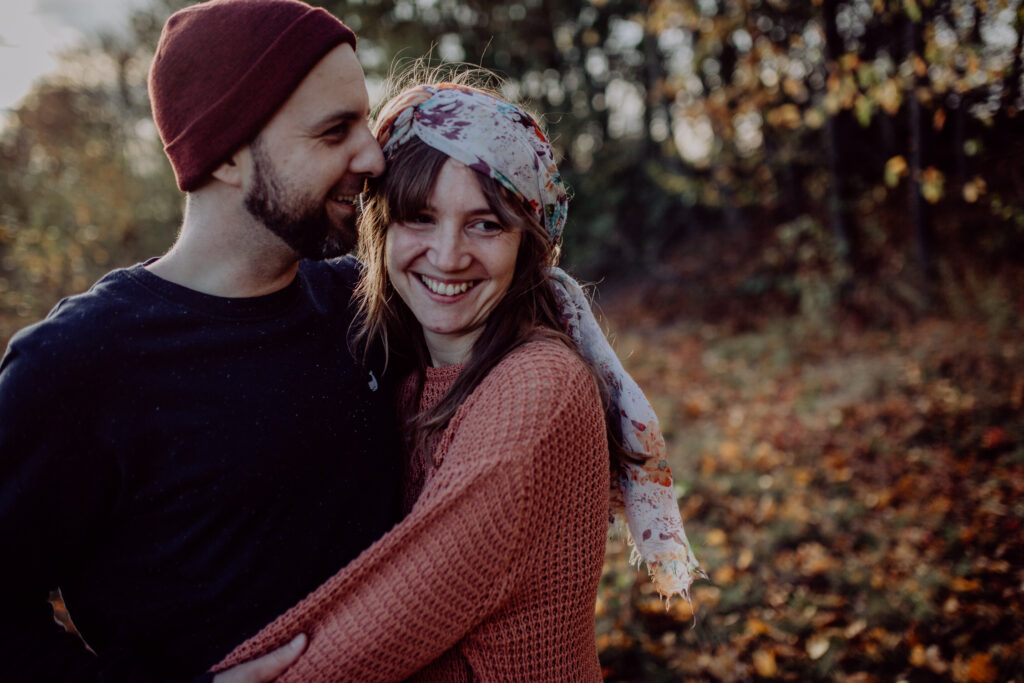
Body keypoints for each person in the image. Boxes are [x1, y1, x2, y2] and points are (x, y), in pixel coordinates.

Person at [212, 82, 704, 682]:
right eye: (420, 218)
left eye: (485, 225)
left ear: (528, 243)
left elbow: (388, 617)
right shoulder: (400, 372)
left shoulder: (536, 391)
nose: (448, 256)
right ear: (381, 229)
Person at [0, 1, 403, 680]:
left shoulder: (365, 302)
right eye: (335, 131)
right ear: (227, 156)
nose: (373, 154)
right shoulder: (79, 362)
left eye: (365, 122)